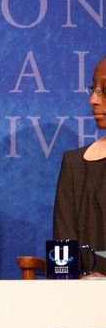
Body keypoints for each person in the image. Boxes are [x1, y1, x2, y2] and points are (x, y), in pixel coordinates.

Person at [54, 56, 106, 278]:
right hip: (88, 302)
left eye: (104, 90)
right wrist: (78, 282)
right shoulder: (76, 165)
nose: (93, 100)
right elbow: (62, 259)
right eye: (93, 88)